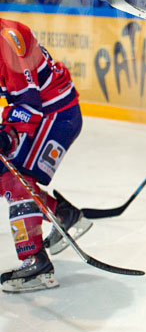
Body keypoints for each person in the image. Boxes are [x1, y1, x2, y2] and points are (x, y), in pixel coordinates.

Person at [0, 18, 92, 292]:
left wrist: (6, 135)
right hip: (49, 115)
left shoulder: (7, 40)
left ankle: (35, 262)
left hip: (56, 117)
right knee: (9, 178)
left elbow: (28, 102)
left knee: (13, 177)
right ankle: (64, 216)